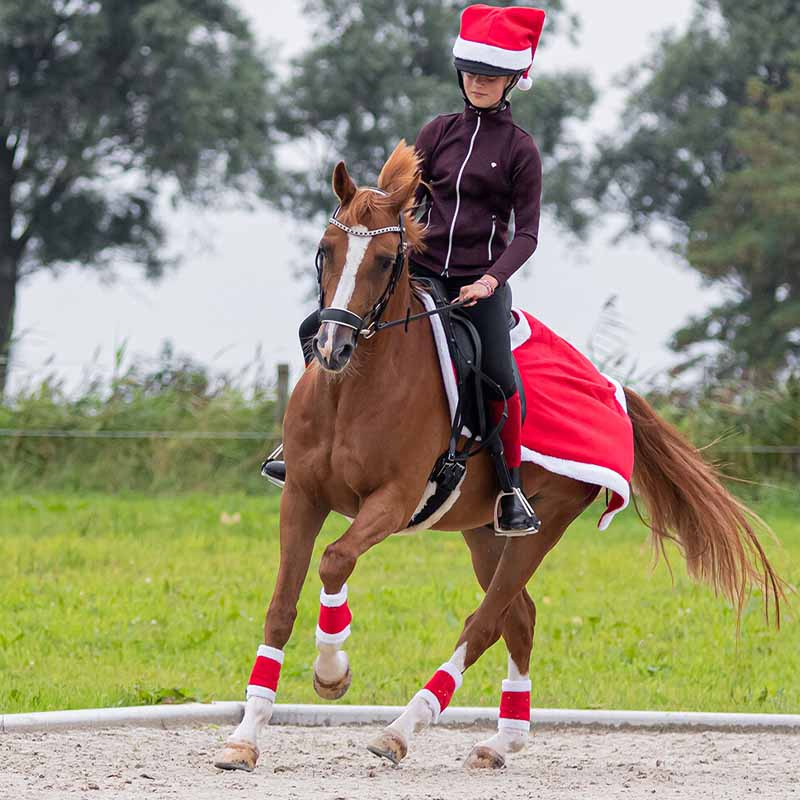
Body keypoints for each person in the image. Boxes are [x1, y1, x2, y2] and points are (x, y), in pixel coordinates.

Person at [265, 4, 545, 534]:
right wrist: (365, 213)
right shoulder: (437, 132)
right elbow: (399, 200)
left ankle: (509, 489)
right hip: (420, 271)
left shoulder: (520, 150)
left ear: (511, 80)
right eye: (471, 73)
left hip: (479, 285)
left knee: (499, 375)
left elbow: (528, 234)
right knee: (315, 326)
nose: (478, 83)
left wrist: (491, 280)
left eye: (489, 76)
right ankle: (300, 445)